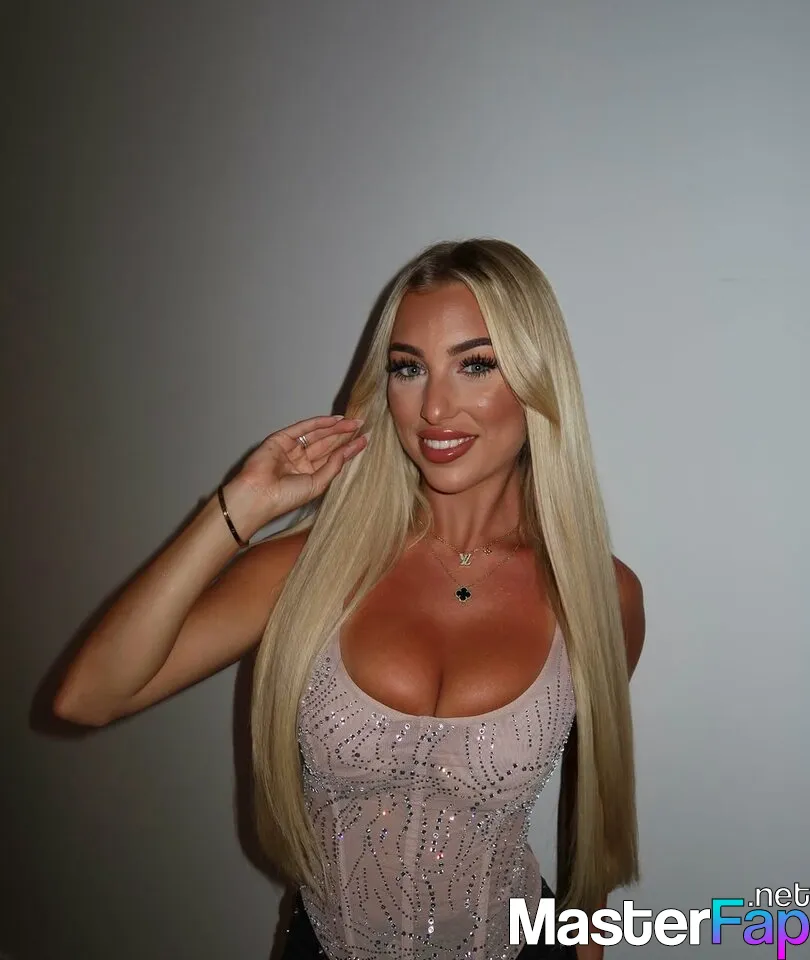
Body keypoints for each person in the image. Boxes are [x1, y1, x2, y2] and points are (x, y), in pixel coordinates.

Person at [54, 238, 645, 960]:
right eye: (408, 368)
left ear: (536, 381)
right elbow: (88, 698)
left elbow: (589, 824)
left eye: (475, 364)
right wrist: (239, 509)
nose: (433, 407)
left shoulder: (599, 595)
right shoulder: (309, 568)